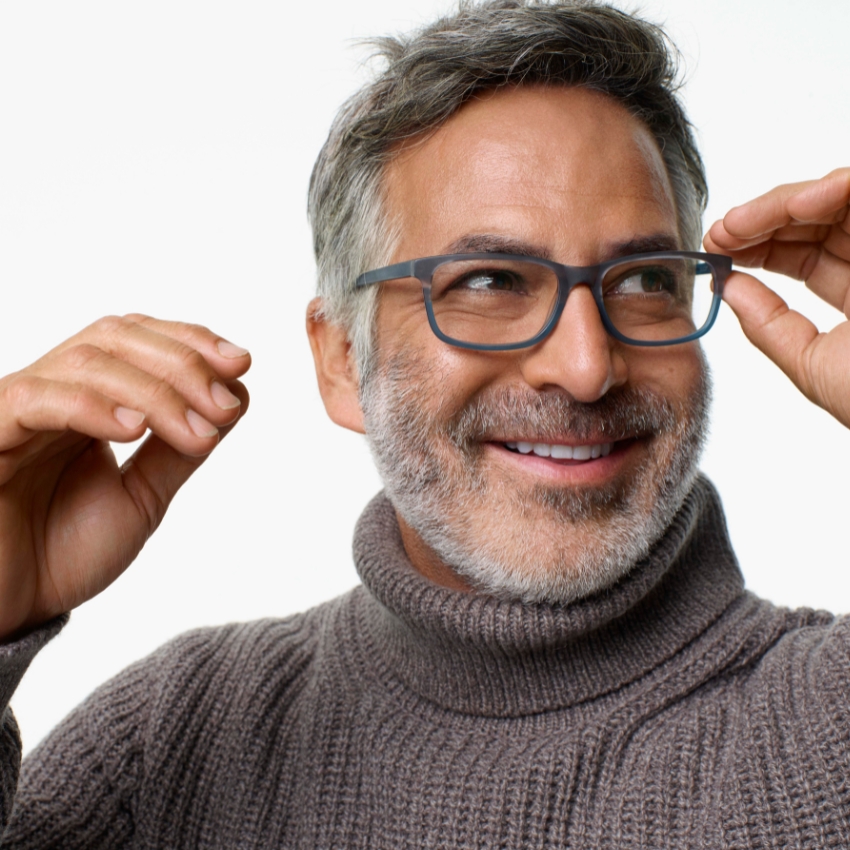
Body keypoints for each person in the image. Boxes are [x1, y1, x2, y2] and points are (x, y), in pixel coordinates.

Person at [1, 0, 849, 846]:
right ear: (342, 360)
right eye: (489, 282)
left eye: (643, 280)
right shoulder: (170, 744)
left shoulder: (828, 735)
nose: (586, 368)